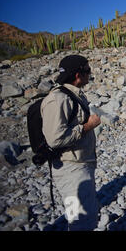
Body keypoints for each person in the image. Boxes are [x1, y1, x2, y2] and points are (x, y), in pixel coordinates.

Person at [41, 55, 101, 231]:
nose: (90, 74)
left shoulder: (72, 95)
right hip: (70, 170)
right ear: (78, 74)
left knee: (81, 218)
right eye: (88, 70)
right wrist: (87, 126)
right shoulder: (59, 99)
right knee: (82, 221)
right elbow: (55, 138)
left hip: (79, 165)